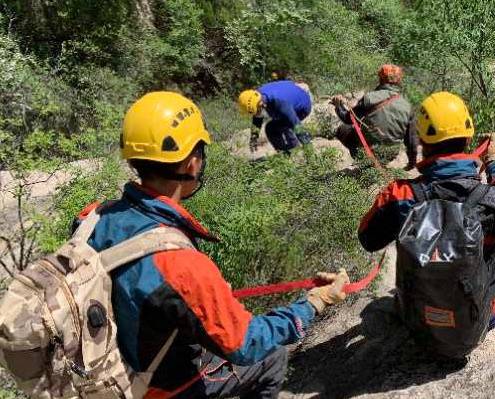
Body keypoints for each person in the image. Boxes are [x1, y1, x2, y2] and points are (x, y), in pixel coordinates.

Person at [75, 91, 350, 398]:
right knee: (271, 359)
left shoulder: (91, 218)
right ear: (193, 163)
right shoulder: (178, 264)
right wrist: (316, 301)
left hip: (103, 368)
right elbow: (245, 344)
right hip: (157, 387)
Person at [357, 91, 495, 351]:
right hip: (476, 319)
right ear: (468, 136)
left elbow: (369, 239)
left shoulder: (400, 195)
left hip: (414, 316)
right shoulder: (493, 199)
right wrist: (494, 161)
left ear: (423, 141)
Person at [330, 64, 416, 169]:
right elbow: (411, 140)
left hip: (367, 151)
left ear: (380, 79)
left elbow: (348, 119)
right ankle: (377, 165)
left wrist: (338, 106)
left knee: (342, 130)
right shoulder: (407, 106)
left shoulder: (369, 98)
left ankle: (363, 162)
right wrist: (411, 164)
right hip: (390, 154)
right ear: (399, 81)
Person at [238, 80, 312, 154]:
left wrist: (309, 149)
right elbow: (257, 117)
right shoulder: (256, 96)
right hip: (289, 93)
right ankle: (287, 152)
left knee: (274, 126)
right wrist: (254, 138)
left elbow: (296, 125)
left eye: (258, 110)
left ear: (261, 104)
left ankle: (293, 149)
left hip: (303, 106)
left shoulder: (280, 103)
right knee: (274, 124)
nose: (258, 114)